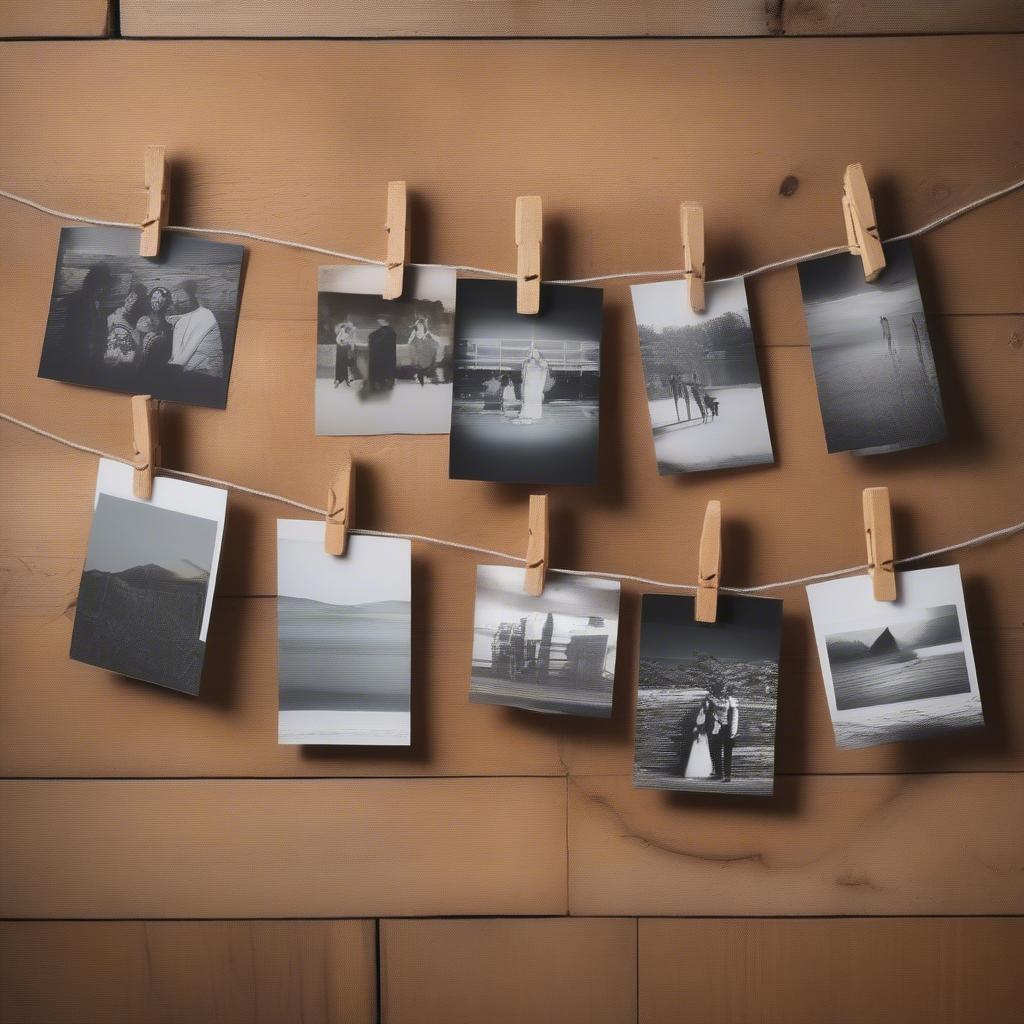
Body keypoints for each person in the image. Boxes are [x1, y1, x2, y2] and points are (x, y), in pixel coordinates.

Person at [52, 263, 111, 375]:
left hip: (84, 351)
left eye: (104, 286)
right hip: (74, 351)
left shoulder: (94, 301)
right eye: (100, 286)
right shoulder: (80, 298)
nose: (103, 290)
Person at [167, 281, 224, 378]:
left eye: (181, 300)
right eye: (174, 301)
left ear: (192, 297)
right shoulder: (181, 319)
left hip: (206, 373)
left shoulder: (205, 315)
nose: (176, 303)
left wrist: (169, 370)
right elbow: (175, 355)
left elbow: (183, 358)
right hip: (187, 372)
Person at [708, 686, 740, 782]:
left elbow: (735, 717)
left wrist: (733, 731)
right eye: (720, 691)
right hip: (717, 728)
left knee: (727, 752)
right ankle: (718, 773)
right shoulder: (713, 700)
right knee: (716, 751)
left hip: (728, 729)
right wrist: (716, 719)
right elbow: (711, 712)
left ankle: (727, 775)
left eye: (724, 691)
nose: (722, 692)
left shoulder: (732, 702)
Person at [683, 695, 715, 779]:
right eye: (706, 702)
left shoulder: (711, 712)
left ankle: (706, 771)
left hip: (707, 733)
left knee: (705, 750)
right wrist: (698, 729)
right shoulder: (702, 711)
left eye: (708, 702)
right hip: (701, 733)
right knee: (699, 750)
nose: (707, 704)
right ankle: (696, 771)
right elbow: (699, 722)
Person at [518, 343, 550, 422]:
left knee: (533, 402)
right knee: (529, 402)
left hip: (535, 385)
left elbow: (544, 368)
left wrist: (536, 359)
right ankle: (528, 415)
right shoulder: (526, 363)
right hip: (530, 386)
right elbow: (523, 375)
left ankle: (533, 415)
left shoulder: (541, 363)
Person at [367, 315, 397, 392]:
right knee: (385, 370)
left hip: (381, 356)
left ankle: (380, 383)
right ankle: (384, 383)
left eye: (380, 320)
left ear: (384, 321)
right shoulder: (390, 332)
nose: (379, 321)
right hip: (385, 356)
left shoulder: (385, 332)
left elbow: (373, 338)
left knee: (381, 369)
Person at [408, 316, 438, 386]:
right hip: (419, 355)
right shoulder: (415, 332)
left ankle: (427, 379)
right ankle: (422, 382)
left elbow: (434, 342)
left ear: (423, 325)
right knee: (420, 371)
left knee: (426, 370)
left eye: (421, 325)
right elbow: (410, 341)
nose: (419, 326)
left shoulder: (426, 332)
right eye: (418, 325)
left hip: (426, 355)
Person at [333, 319, 356, 387]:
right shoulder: (342, 330)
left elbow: (351, 342)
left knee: (345, 364)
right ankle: (338, 379)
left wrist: (349, 344)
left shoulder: (351, 333)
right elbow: (338, 339)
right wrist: (340, 343)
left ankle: (346, 378)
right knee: (339, 363)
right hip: (340, 349)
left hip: (346, 349)